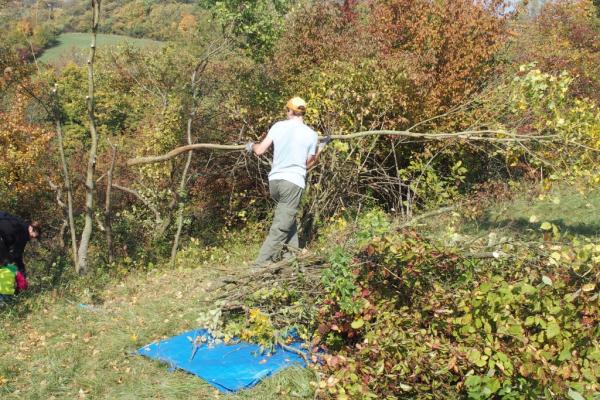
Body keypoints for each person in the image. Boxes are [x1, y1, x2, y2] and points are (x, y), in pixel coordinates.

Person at [246, 97, 330, 267]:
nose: (286, 113)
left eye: (287, 110)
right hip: (292, 183)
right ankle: (259, 266)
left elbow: (260, 150)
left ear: (291, 111)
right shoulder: (311, 134)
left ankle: (291, 260)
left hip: (275, 182)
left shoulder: (278, 126)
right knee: (280, 227)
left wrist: (251, 146)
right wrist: (320, 148)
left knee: (288, 219)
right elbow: (308, 164)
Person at [0, 211, 40, 291]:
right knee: (6, 264)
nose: (31, 238)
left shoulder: (19, 222)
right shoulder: (23, 233)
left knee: (5, 261)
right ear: (31, 228)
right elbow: (17, 257)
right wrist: (23, 275)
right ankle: (5, 297)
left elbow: (3, 214)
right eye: (32, 236)